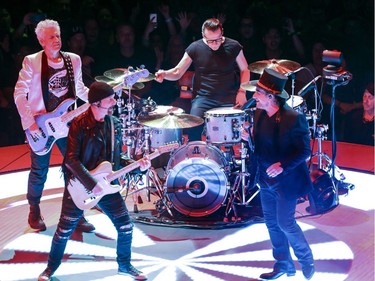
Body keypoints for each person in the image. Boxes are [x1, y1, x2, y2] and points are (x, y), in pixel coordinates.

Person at [38, 81, 149, 281]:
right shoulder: (79, 124)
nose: (114, 101)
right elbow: (70, 159)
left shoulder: (114, 124)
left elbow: (116, 158)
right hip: (80, 185)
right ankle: (50, 269)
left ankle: (124, 265)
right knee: (64, 230)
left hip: (106, 184)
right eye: (110, 98)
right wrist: (91, 183)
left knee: (125, 226)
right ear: (97, 103)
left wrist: (137, 165)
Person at [13, 19, 94, 232]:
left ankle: (77, 213)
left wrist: (97, 97)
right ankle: (34, 209)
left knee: (75, 169)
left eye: (58, 35)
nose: (56, 40)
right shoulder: (32, 61)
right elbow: (19, 94)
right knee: (39, 170)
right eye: (51, 37)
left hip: (68, 125)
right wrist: (30, 124)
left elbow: (80, 90)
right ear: (41, 40)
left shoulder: (73, 60)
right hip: (41, 126)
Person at [242, 68, 315, 280]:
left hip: (287, 181)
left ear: (271, 97)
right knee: (272, 224)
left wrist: (283, 165)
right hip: (266, 180)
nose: (253, 96)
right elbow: (261, 148)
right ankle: (284, 265)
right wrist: (249, 139)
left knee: (285, 223)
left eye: (258, 93)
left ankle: (306, 258)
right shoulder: (259, 114)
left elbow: (304, 151)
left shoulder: (294, 118)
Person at [155, 18, 250, 141]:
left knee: (241, 130)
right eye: (211, 41)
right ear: (203, 36)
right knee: (193, 128)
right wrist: (165, 74)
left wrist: (242, 92)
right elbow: (178, 72)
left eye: (218, 39)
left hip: (229, 97)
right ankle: (196, 156)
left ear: (222, 32)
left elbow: (245, 69)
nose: (215, 44)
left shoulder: (234, 46)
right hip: (204, 98)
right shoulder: (195, 48)